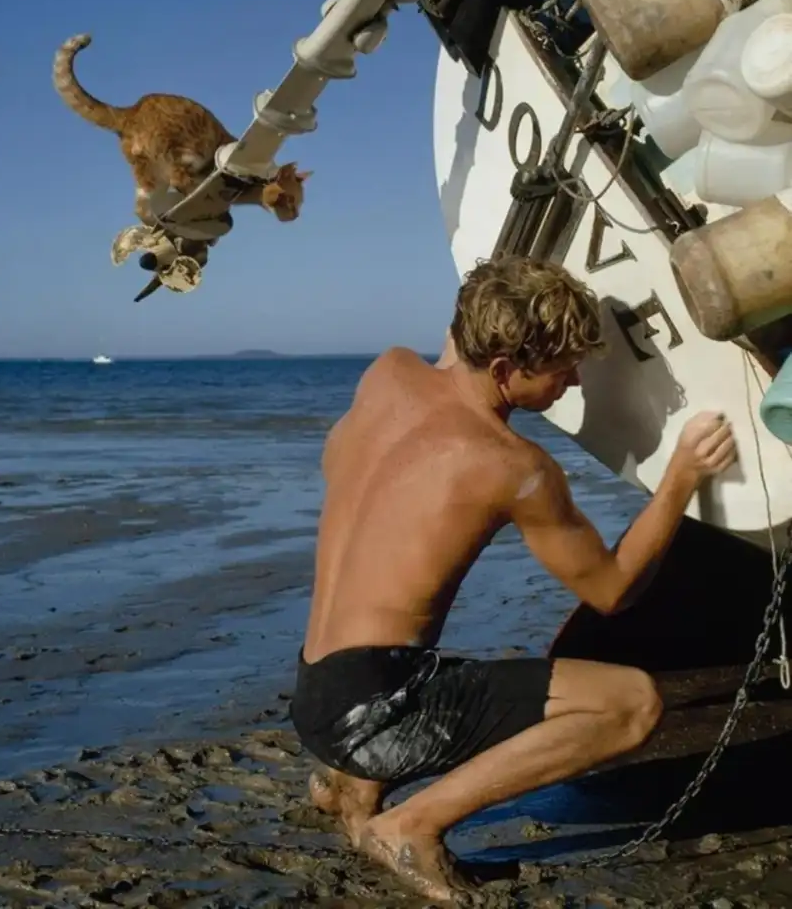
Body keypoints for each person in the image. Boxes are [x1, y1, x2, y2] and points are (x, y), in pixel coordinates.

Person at [290, 255, 736, 904]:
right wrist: (681, 480)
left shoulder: (389, 370)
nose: (574, 381)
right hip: (372, 715)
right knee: (632, 703)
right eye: (563, 369)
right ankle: (412, 827)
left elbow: (467, 326)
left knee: (398, 664)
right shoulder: (511, 466)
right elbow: (612, 591)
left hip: (314, 690)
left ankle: (345, 785)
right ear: (505, 370)